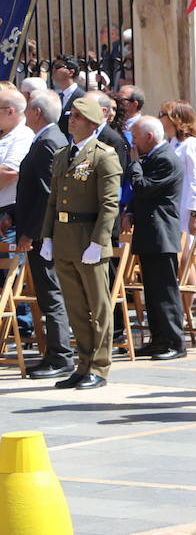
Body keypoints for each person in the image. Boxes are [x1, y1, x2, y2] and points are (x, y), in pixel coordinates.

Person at [37, 96, 120, 390]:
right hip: (64, 237)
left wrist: (99, 241)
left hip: (88, 239)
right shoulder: (62, 155)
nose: (71, 121)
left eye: (79, 118)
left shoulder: (103, 155)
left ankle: (99, 366)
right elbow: (52, 200)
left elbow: (110, 204)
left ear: (93, 124)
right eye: (71, 116)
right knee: (75, 307)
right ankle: (83, 364)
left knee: (98, 308)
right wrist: (47, 235)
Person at [13, 90, 72, 378]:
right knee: (48, 293)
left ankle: (61, 355)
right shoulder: (48, 139)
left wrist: (31, 233)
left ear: (37, 113)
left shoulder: (50, 141)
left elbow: (49, 194)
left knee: (51, 293)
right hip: (41, 231)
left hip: (45, 235)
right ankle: (55, 353)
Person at [126, 116, 186, 360]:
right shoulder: (153, 157)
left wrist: (134, 163)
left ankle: (174, 341)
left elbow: (143, 187)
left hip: (162, 233)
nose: (134, 144)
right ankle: (159, 339)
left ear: (149, 137)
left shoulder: (165, 159)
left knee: (165, 292)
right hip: (150, 233)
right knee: (152, 292)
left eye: (136, 138)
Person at [0, 88, 35, 339]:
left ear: (10, 111)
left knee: (11, 272)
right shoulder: (6, 135)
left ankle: (20, 326)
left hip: (10, 213)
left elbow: (10, 173)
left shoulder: (22, 136)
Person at [160, 101, 196, 260]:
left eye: (163, 115)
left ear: (176, 118)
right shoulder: (172, 143)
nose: (159, 119)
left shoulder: (193, 145)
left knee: (186, 256)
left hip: (186, 209)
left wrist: (195, 214)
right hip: (172, 207)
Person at [50, 56, 85, 137]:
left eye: (58, 67)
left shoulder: (81, 97)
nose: (54, 70)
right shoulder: (57, 97)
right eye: (53, 66)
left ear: (71, 72)